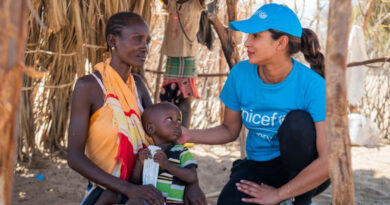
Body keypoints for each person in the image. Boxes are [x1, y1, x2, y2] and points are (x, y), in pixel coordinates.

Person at [179, 3, 330, 205]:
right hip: (260, 166)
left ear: (281, 43)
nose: (246, 43)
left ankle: (299, 200)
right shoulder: (240, 74)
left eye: (255, 36)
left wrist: (277, 195)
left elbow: (329, 161)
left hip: (307, 172)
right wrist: (188, 135)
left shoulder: (313, 85)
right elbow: (229, 129)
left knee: (297, 122)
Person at [67, 12, 205, 205]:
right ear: (113, 40)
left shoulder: (138, 85)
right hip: (107, 190)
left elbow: (164, 135)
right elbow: (74, 157)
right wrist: (128, 189)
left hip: (144, 182)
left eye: (147, 41)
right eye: (137, 39)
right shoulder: (89, 87)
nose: (145, 47)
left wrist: (193, 183)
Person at [97, 102, 198, 205]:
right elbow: (135, 181)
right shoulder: (148, 152)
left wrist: (167, 164)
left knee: (136, 203)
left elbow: (192, 177)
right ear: (151, 128)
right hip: (148, 198)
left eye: (178, 120)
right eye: (169, 119)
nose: (177, 125)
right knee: (109, 194)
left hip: (167, 202)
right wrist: (139, 163)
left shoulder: (181, 151)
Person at [159, 0, 205, 128]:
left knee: (185, 99)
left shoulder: (197, 4)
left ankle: (183, 137)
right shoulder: (172, 2)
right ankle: (167, 134)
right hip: (172, 55)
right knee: (168, 97)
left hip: (188, 56)